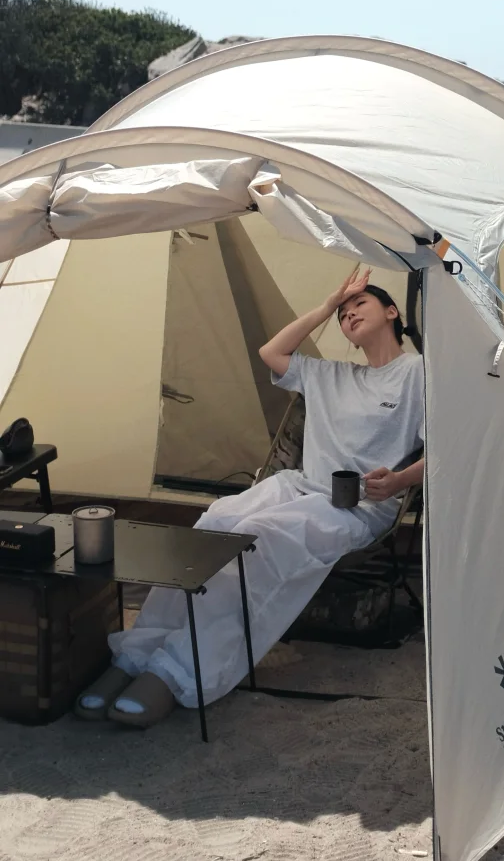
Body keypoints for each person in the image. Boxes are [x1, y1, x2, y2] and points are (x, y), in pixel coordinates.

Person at [75, 266, 425, 728]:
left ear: (392, 311)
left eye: (360, 304)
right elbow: (271, 352)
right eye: (342, 314)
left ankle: (179, 670)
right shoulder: (331, 375)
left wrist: (400, 482)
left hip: (357, 506)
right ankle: (136, 654)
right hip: (298, 484)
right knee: (215, 525)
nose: (349, 314)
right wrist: (325, 304)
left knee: (256, 538)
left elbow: (451, 446)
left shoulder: (417, 373)